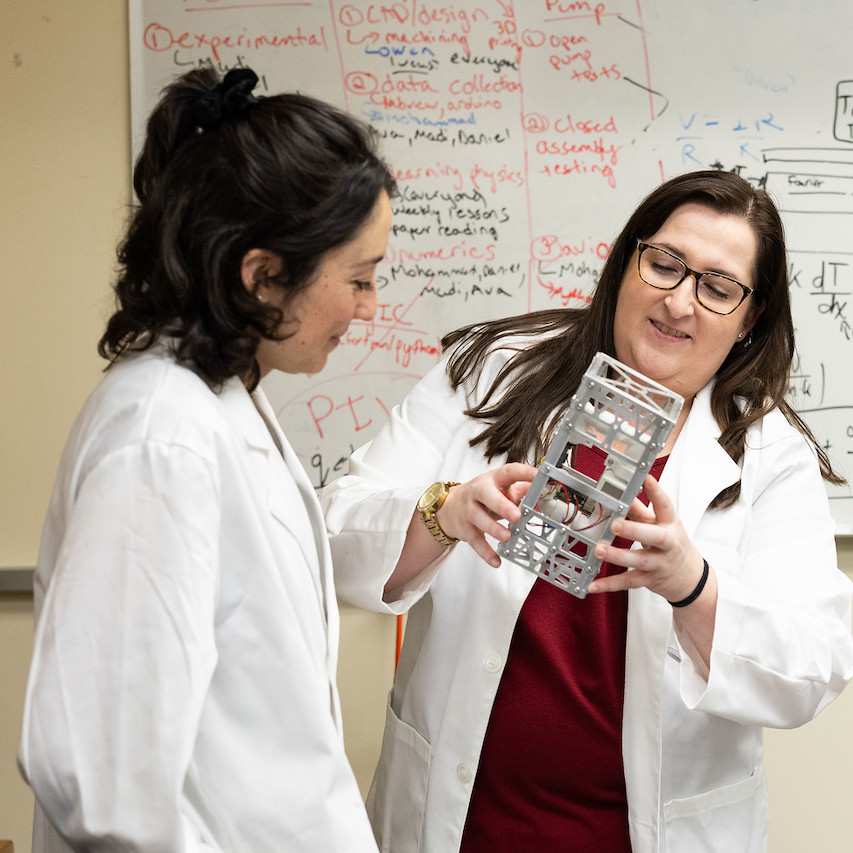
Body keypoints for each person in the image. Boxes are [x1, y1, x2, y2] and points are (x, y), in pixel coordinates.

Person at [321, 170, 853, 853]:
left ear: (749, 318)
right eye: (664, 264)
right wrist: (443, 513)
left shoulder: (770, 455)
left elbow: (811, 667)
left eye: (718, 288)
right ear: (626, 260)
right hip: (460, 827)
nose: (678, 301)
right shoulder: (493, 372)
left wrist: (691, 584)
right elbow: (330, 539)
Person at [18, 67, 394, 852]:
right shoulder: (163, 436)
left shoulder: (222, 402)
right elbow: (100, 779)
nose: (368, 307)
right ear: (261, 276)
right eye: (359, 279)